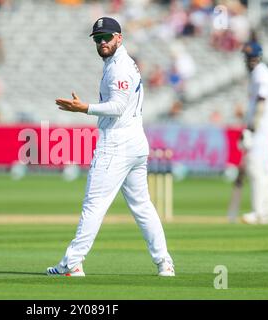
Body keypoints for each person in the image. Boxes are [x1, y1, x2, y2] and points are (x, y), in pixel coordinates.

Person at [48, 17, 175, 277]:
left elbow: (117, 107)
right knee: (142, 206)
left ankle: (72, 263)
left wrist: (85, 108)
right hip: (135, 142)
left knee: (94, 204)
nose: (102, 42)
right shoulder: (118, 63)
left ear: (120, 37)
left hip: (117, 143)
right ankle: (164, 263)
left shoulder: (120, 67)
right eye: (97, 38)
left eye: (107, 37)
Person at [239, 41, 268, 225]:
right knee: (264, 168)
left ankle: (260, 212)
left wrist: (252, 128)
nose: (249, 60)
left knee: (256, 167)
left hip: (263, 124)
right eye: (248, 57)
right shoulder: (260, 73)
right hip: (265, 123)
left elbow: (262, 102)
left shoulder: (261, 74)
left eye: (251, 57)